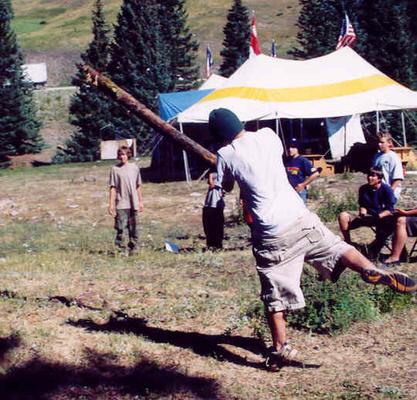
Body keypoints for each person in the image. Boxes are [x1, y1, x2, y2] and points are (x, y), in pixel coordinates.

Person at [208, 108, 416, 371]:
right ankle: (370, 268)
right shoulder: (268, 135)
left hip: (272, 233)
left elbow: (227, 186)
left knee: (274, 293)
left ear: (218, 135)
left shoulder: (226, 154)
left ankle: (281, 347)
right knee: (337, 247)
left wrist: (217, 175)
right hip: (301, 217)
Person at [338, 167, 396, 258]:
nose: (369, 178)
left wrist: (378, 216)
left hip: (382, 216)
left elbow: (390, 210)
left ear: (379, 179)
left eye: (373, 176)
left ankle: (375, 248)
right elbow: (362, 204)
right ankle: (348, 243)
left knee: (388, 224)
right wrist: (362, 210)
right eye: (369, 175)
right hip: (367, 215)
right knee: (343, 216)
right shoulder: (363, 189)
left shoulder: (387, 190)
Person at [108, 146, 144, 254]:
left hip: (133, 203)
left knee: (134, 228)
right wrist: (111, 204)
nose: (122, 157)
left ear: (128, 155)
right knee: (121, 228)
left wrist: (140, 202)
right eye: (120, 155)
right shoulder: (115, 169)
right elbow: (113, 187)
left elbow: (138, 186)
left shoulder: (134, 168)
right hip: (121, 203)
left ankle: (133, 248)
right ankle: (121, 250)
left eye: (124, 154)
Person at [284, 138, 320, 203]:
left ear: (298, 149)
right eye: (289, 147)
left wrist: (303, 185)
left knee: (301, 209)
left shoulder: (303, 161)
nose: (290, 149)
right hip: (288, 192)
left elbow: (315, 174)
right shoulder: (286, 161)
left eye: (293, 147)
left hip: (299, 191)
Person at [372, 132, 404, 199]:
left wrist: (389, 193)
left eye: (382, 142)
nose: (379, 144)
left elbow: (398, 178)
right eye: (378, 142)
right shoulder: (376, 156)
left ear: (389, 143)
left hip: (390, 193)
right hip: (378, 192)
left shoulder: (393, 157)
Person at [202, 169, 225, 249]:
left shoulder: (223, 175)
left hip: (217, 205)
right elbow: (210, 183)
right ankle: (211, 245)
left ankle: (217, 245)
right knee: (208, 226)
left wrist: (211, 176)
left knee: (217, 227)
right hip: (209, 204)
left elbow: (211, 184)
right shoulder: (214, 173)